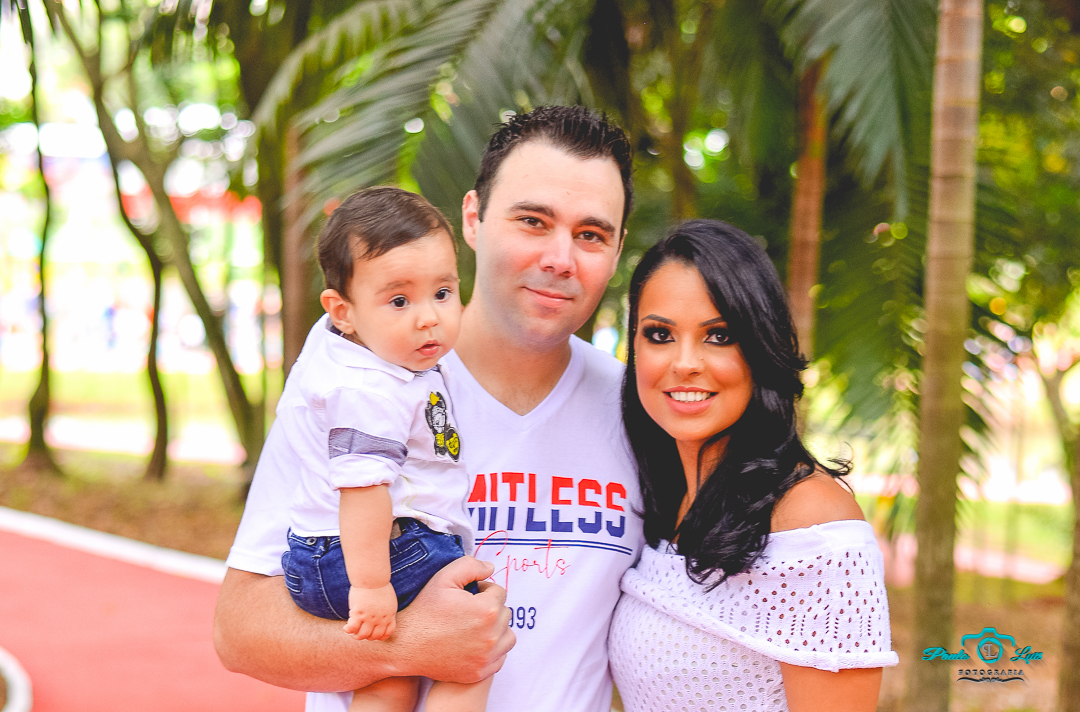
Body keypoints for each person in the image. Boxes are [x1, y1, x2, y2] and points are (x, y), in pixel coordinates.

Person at [214, 105, 646, 712]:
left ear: (619, 246)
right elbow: (238, 631)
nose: (560, 258)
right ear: (473, 218)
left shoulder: (642, 411)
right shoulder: (351, 375)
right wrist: (406, 649)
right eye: (532, 221)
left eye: (591, 234)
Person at [608, 220, 899, 712]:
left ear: (760, 347)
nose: (684, 363)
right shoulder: (664, 498)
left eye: (718, 336)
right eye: (659, 334)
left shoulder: (814, 525)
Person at [273, 186, 490, 712]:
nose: (428, 317)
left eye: (443, 292)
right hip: (367, 557)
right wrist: (372, 588)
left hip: (319, 556)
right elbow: (364, 487)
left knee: (388, 680)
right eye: (399, 300)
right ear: (342, 310)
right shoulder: (369, 390)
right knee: (476, 640)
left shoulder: (344, 347)